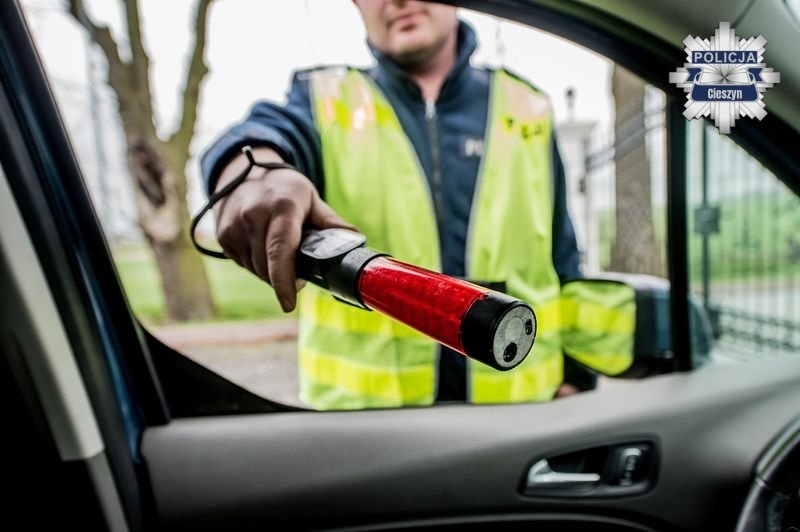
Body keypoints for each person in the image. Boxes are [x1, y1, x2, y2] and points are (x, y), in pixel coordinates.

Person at [200, 0, 603, 410]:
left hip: (520, 411)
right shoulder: (323, 99)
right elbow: (263, 133)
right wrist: (254, 174)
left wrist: (578, 377)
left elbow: (562, 259)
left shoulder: (528, 106)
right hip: (372, 430)